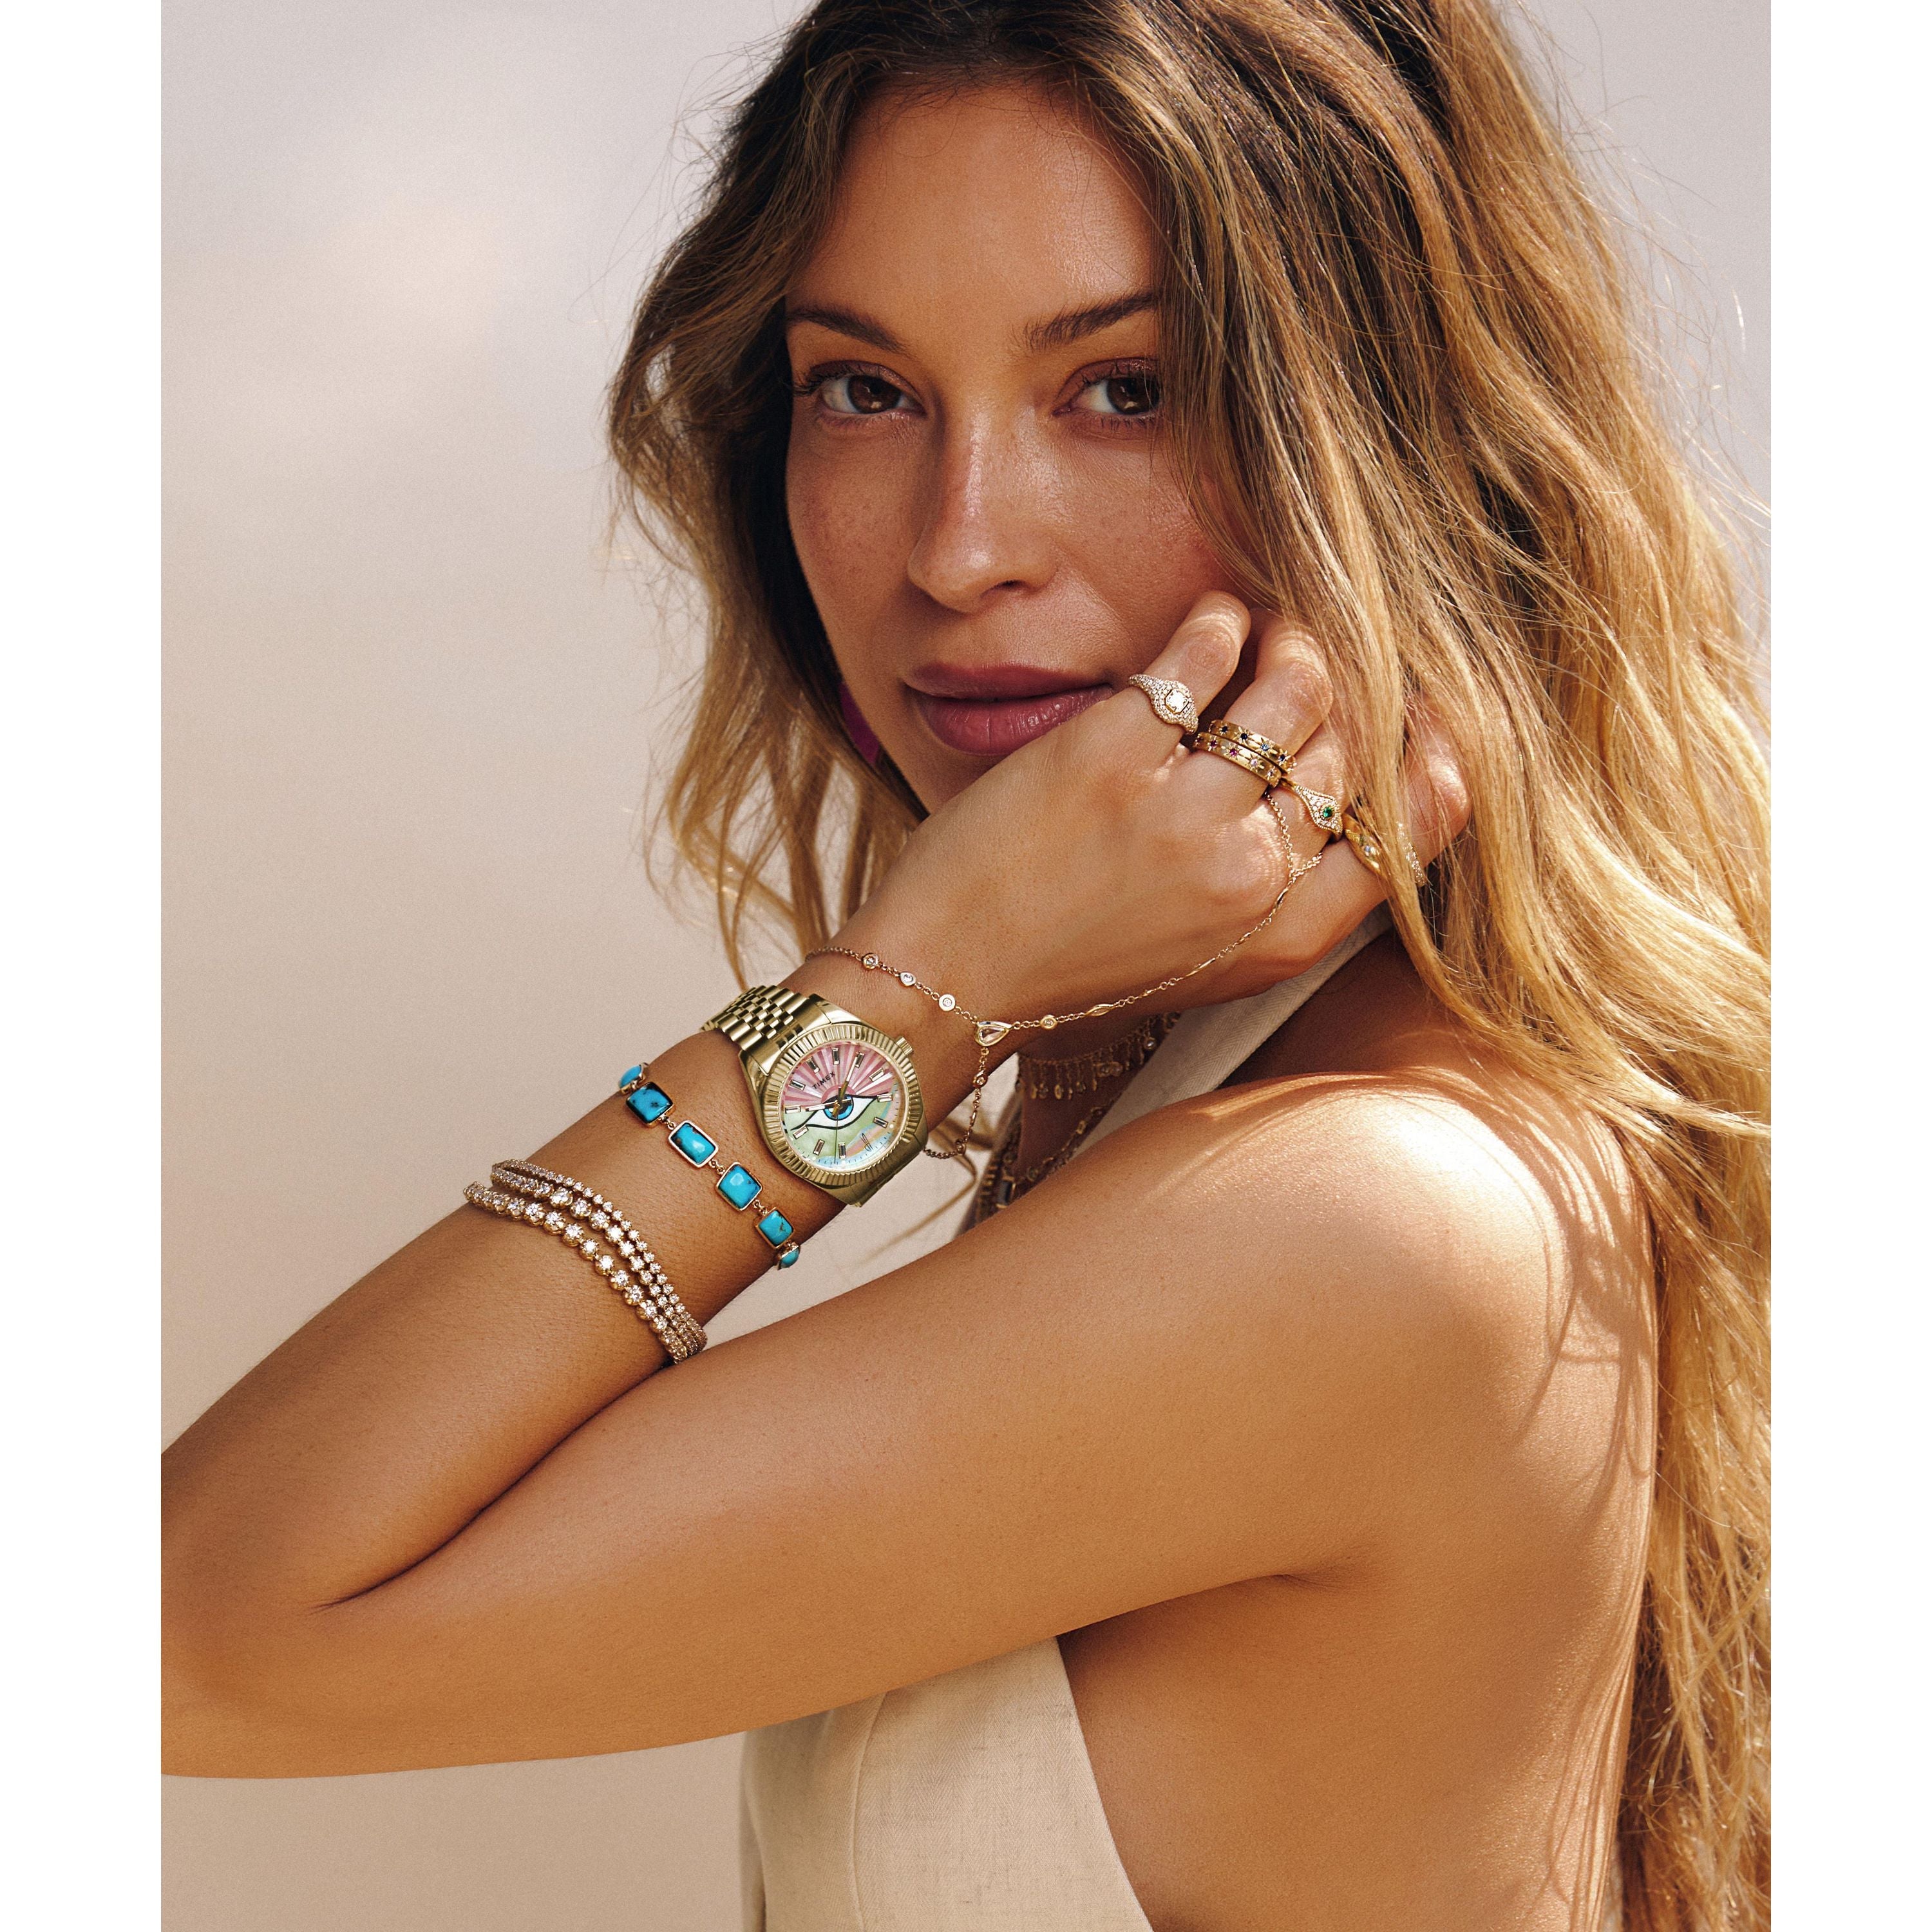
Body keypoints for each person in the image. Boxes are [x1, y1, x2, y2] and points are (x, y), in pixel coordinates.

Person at [162, 3, 1769, 1927]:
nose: (960, 546)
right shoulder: (1229, 1094)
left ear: (1406, 437)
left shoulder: (1359, 1218)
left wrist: (916, 980)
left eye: (1126, 386)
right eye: (865, 390)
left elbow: (179, 1639)